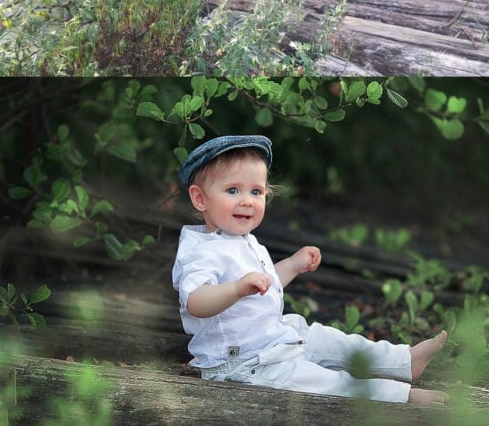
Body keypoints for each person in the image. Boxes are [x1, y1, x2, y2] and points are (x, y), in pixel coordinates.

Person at [171, 135, 449, 405]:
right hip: (241, 362)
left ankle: (403, 362)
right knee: (325, 382)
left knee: (332, 341)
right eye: (233, 190)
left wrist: (292, 265)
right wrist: (235, 288)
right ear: (200, 199)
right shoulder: (202, 251)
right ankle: (399, 397)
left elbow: (264, 286)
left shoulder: (243, 241)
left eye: (256, 191)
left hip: (272, 338)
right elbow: (196, 301)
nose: (247, 200)